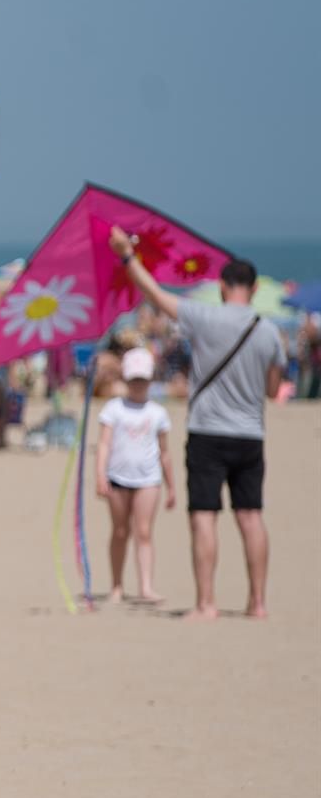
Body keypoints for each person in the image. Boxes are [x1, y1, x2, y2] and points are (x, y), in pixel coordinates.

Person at [111, 228, 285, 619]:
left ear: (222, 287)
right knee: (251, 516)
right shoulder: (269, 331)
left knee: (204, 516)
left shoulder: (204, 316)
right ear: (254, 290)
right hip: (250, 433)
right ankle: (257, 603)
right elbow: (273, 391)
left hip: (208, 430)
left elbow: (154, 294)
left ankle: (206, 603)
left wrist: (126, 255)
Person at [94, 348, 175, 603]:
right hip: (118, 477)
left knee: (144, 532)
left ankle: (146, 587)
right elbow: (104, 444)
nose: (138, 385)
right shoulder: (114, 408)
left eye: (142, 380)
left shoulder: (157, 412)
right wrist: (100, 476)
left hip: (148, 479)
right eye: (134, 380)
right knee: (120, 531)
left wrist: (172, 486)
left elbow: (165, 452)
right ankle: (116, 585)